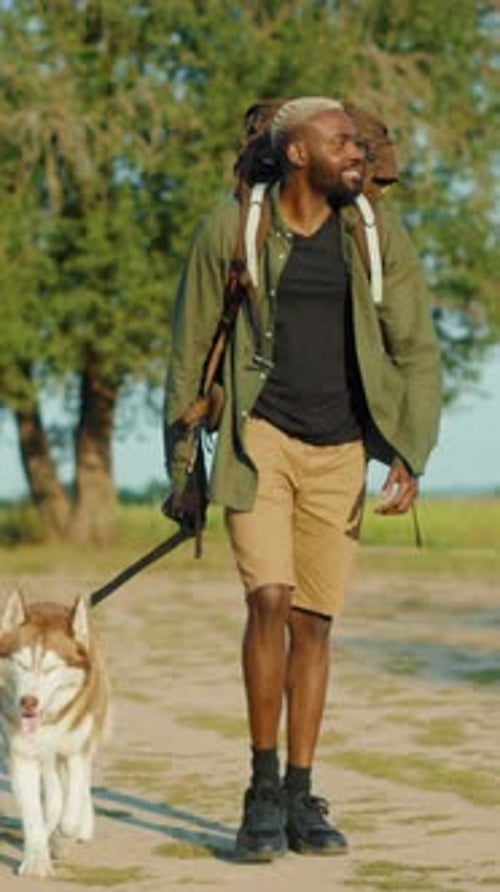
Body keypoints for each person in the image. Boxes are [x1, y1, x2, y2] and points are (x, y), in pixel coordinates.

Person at [163, 97, 441, 862]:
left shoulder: (376, 236)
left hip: (342, 447)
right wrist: (184, 468)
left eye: (357, 140)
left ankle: (300, 791)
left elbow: (416, 348)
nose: (361, 152)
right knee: (270, 602)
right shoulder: (233, 231)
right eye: (342, 140)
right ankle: (258, 793)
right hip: (262, 441)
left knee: (315, 622)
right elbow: (189, 350)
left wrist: (411, 450)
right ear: (297, 153)